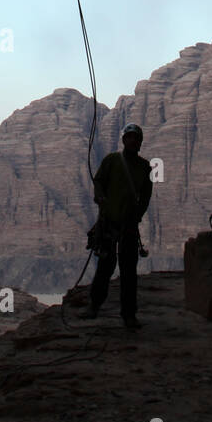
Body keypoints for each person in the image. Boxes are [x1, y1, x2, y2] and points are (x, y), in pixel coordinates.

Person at [80, 123, 152, 328]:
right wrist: (100, 197)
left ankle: (129, 315)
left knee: (129, 270)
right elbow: (99, 181)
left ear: (140, 143)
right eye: (129, 137)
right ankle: (94, 306)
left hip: (129, 226)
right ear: (124, 140)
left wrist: (136, 216)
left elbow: (146, 197)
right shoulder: (112, 160)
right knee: (105, 266)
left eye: (135, 138)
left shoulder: (144, 168)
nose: (132, 141)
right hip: (109, 223)